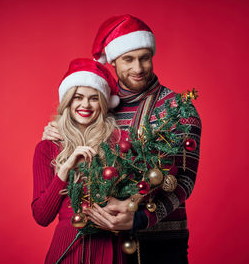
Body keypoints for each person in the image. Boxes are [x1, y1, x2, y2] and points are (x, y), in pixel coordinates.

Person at [43, 15, 202, 264]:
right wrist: (56, 133)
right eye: (128, 59)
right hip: (107, 243)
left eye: (144, 58)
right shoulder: (98, 107)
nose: (138, 68)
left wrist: (140, 217)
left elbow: (185, 180)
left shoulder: (178, 109)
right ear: (113, 61)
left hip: (163, 242)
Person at [31, 58, 125, 264]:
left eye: (93, 98)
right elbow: (41, 216)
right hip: (67, 250)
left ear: (103, 102)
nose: (85, 104)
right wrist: (66, 168)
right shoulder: (47, 148)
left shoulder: (119, 143)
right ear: (68, 101)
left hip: (110, 249)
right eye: (78, 97)